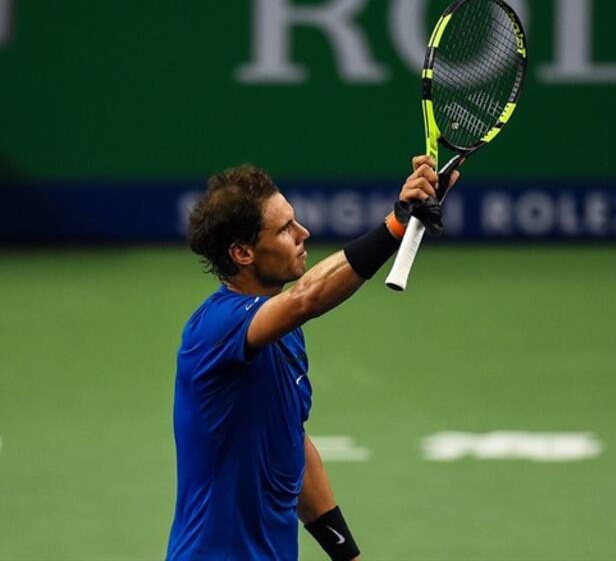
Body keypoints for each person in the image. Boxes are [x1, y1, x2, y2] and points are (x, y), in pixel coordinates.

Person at [166, 155, 458, 561]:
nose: (303, 232)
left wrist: (346, 554)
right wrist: (394, 227)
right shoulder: (215, 329)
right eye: (285, 229)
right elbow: (307, 297)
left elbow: (292, 444)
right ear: (243, 252)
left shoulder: (282, 333)